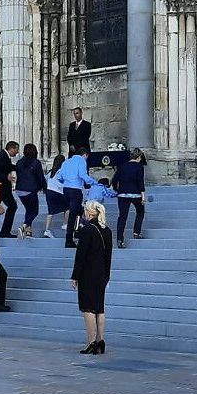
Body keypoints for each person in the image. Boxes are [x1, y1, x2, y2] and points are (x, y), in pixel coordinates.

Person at [72, 200, 113, 355]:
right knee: (99, 308)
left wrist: (75, 275)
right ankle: (100, 339)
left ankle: (91, 342)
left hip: (88, 273)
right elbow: (109, 256)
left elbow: (80, 255)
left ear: (89, 212)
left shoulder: (87, 230)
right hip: (101, 273)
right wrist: (107, 275)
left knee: (88, 307)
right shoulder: (107, 230)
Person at [57, 148, 96, 248]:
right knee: (73, 215)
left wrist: (66, 181)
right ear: (85, 155)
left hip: (66, 190)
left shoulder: (66, 162)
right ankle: (69, 238)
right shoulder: (81, 161)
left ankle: (78, 228)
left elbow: (59, 177)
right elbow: (82, 175)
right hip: (75, 190)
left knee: (77, 210)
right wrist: (94, 182)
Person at [112, 148, 147, 249]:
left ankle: (119, 239)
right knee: (140, 212)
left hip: (122, 194)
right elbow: (141, 182)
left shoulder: (122, 166)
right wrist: (143, 196)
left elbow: (114, 179)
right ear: (139, 157)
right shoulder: (139, 167)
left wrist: (116, 189)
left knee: (122, 217)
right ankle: (136, 232)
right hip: (135, 194)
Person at [13, 143, 47, 238]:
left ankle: (28, 232)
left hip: (19, 190)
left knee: (29, 210)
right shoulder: (36, 163)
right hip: (30, 190)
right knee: (34, 211)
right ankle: (24, 226)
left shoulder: (19, 162)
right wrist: (44, 187)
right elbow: (40, 177)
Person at [0, 141, 20, 239]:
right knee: (10, 207)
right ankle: (3, 232)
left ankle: (4, 232)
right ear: (11, 148)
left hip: (3, 188)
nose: (17, 152)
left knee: (10, 207)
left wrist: (19, 167)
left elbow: (8, 167)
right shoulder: (1, 157)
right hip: (1, 188)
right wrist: (6, 178)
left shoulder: (4, 156)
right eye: (16, 149)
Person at [42, 154, 67, 239]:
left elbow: (45, 179)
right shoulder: (62, 171)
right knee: (68, 207)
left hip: (49, 192)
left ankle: (47, 230)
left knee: (51, 211)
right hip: (58, 192)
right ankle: (65, 224)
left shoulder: (51, 171)